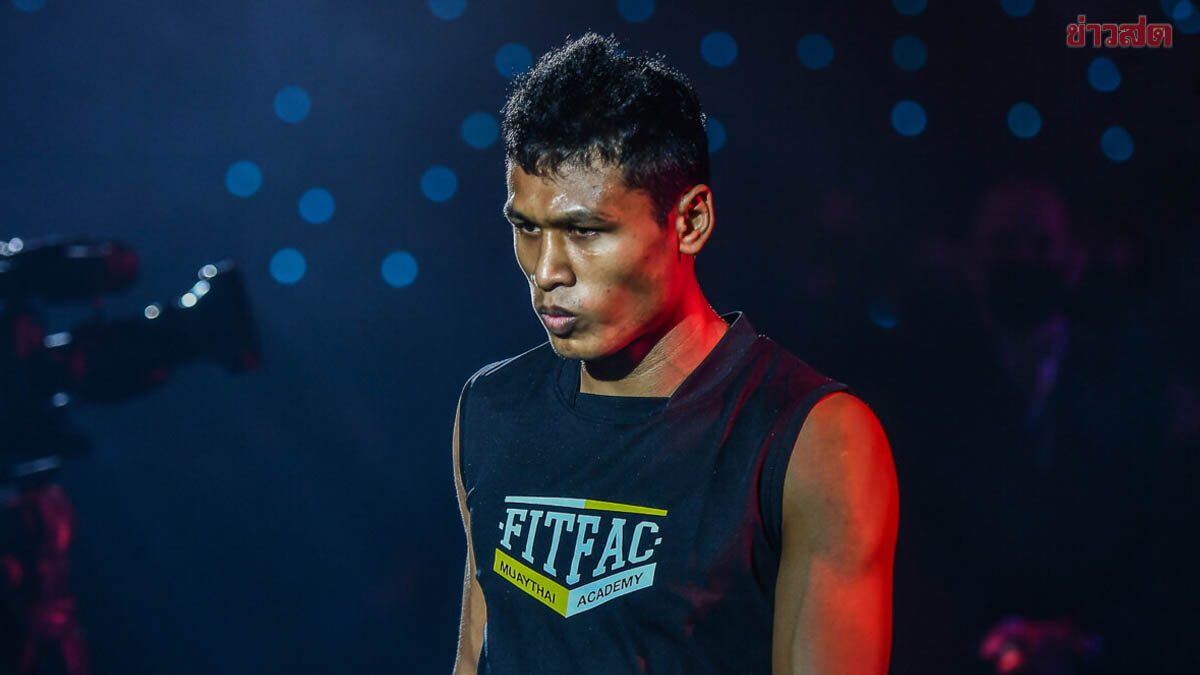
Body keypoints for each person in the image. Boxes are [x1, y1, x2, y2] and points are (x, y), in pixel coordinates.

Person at [451, 32, 898, 675]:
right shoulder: (492, 408)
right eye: (527, 228)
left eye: (585, 231)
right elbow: (478, 656)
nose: (547, 270)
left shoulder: (812, 438)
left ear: (689, 222)